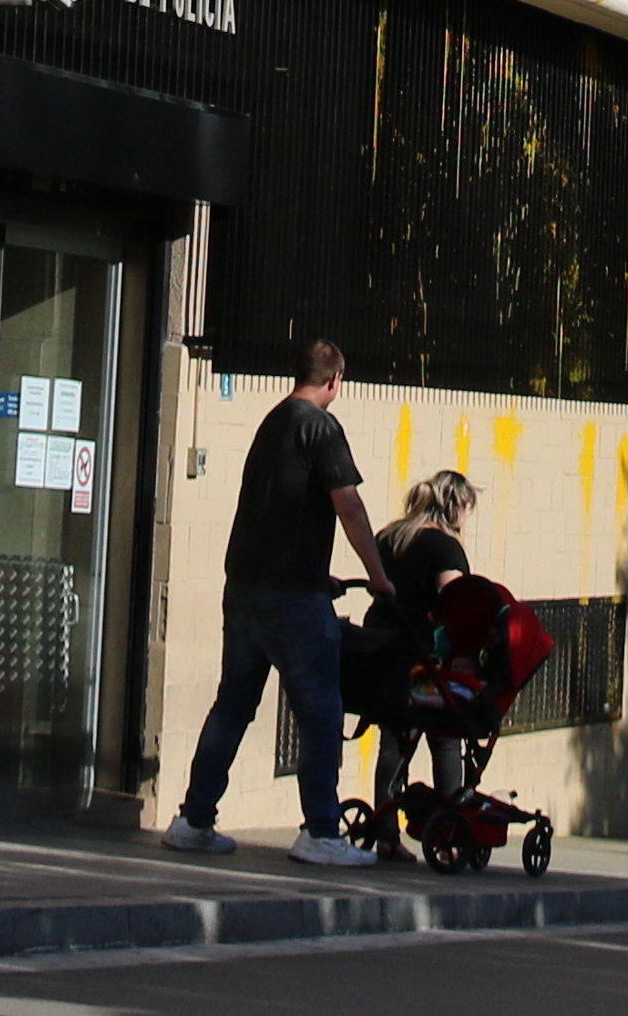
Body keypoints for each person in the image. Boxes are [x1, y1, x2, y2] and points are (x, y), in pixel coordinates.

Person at [164, 340, 392, 865]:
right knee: (320, 710)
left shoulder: (271, 424)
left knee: (233, 704)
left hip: (245, 588)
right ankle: (321, 831)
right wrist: (379, 577)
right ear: (334, 380)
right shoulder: (321, 428)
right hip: (293, 601)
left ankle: (193, 820)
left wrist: (318, 574)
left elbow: (277, 511)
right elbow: (349, 506)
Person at [353, 470, 479, 860]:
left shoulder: (389, 537)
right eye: (469, 509)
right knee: (446, 736)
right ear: (456, 506)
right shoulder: (445, 548)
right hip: (420, 656)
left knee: (393, 740)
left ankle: (386, 833)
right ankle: (449, 834)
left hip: (379, 648)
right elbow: (454, 602)